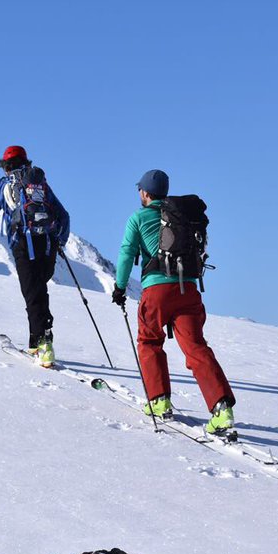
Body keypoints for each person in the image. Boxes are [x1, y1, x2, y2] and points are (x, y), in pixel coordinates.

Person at [111, 169, 236, 435]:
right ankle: (222, 408)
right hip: (188, 289)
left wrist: (120, 288)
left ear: (145, 193)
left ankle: (159, 401)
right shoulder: (182, 217)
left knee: (149, 341)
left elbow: (126, 254)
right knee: (196, 347)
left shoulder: (139, 217)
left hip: (156, 292)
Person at [0, 145, 70, 368]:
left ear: (6, 166)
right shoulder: (41, 185)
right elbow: (64, 215)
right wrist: (59, 243)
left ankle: (44, 345)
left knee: (32, 294)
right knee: (38, 292)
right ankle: (36, 340)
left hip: (23, 244)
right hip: (47, 245)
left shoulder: (3, 186)